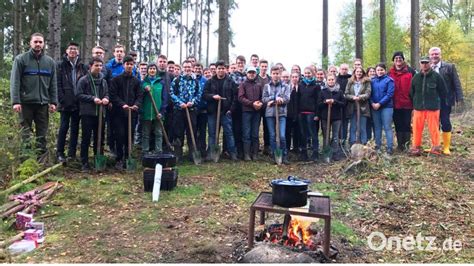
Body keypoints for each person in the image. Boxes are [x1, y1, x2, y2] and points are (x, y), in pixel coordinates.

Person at [10, 32, 58, 160]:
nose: (38, 44)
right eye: (35, 42)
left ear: (43, 44)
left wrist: (53, 101)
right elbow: (15, 82)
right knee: (25, 134)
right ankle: (25, 163)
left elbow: (53, 84)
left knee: (42, 135)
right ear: (30, 43)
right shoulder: (21, 59)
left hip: (42, 104)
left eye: (40, 42)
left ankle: (41, 161)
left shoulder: (50, 62)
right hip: (25, 104)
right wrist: (15, 101)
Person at [56, 42, 88, 163]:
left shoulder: (82, 67)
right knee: (63, 127)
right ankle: (60, 152)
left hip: (79, 103)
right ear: (66, 51)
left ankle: (72, 153)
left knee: (75, 128)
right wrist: (62, 99)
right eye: (71, 49)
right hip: (65, 103)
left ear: (78, 52)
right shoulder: (60, 65)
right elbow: (57, 84)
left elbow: (86, 84)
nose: (73, 51)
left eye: (75, 49)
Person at [109, 56, 143, 170]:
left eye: (131, 64)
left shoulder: (136, 81)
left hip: (132, 114)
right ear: (123, 65)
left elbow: (140, 96)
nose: (129, 66)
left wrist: (136, 105)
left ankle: (128, 157)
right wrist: (122, 104)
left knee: (130, 136)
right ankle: (119, 158)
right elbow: (113, 95)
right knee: (119, 135)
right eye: (127, 64)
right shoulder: (116, 80)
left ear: (133, 66)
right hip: (119, 113)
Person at [76, 57, 109, 171]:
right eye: (96, 65)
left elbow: (107, 94)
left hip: (100, 113)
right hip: (87, 113)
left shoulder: (103, 81)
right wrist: (92, 98)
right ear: (90, 66)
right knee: (86, 138)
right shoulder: (83, 80)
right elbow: (79, 94)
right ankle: (84, 162)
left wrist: (105, 98)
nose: (99, 68)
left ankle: (98, 159)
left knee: (99, 138)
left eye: (100, 66)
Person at [429, 47, 464, 155]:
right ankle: (435, 146)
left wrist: (460, 98)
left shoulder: (449, 67)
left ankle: (446, 147)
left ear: (440, 55)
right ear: (430, 56)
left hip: (445, 100)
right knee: (434, 124)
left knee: (445, 122)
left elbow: (456, 83)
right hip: (432, 101)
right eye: (432, 54)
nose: (434, 56)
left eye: (436, 54)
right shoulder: (427, 67)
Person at [409, 56, 447, 156]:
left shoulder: (436, 76)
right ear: (420, 64)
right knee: (416, 128)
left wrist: (436, 101)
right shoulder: (416, 77)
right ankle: (416, 148)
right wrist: (416, 102)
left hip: (433, 108)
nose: (425, 64)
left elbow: (443, 91)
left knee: (434, 128)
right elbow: (411, 92)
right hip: (418, 108)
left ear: (430, 63)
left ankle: (436, 148)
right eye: (423, 62)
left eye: (426, 62)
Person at [203, 60, 238, 161]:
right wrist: (213, 96)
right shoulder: (210, 81)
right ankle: (211, 153)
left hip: (226, 112)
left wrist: (231, 110)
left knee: (229, 133)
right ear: (216, 70)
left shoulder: (231, 82)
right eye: (219, 68)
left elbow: (235, 97)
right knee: (212, 133)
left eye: (223, 68)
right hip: (213, 112)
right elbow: (204, 95)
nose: (221, 70)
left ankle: (232, 153)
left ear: (225, 70)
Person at [169, 60, 203, 161]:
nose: (187, 69)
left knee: (191, 131)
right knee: (178, 132)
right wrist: (180, 103)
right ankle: (178, 154)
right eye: (185, 67)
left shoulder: (195, 81)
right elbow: (171, 93)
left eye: (189, 67)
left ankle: (192, 153)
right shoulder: (177, 80)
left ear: (192, 68)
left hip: (191, 110)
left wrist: (192, 101)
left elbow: (199, 93)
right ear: (182, 68)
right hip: (179, 110)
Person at [262, 66, 291, 164]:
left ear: (280, 74)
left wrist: (281, 100)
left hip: (281, 113)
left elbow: (287, 98)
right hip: (270, 113)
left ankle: (284, 155)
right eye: (274, 73)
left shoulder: (285, 86)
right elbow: (264, 98)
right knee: (272, 135)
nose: (275, 75)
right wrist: (270, 100)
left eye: (277, 73)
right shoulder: (267, 86)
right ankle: (275, 155)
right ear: (271, 74)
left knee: (282, 136)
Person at [389, 51, 416, 151]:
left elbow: (415, 87)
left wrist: (414, 101)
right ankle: (400, 145)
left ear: (403, 60)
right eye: (396, 58)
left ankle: (406, 145)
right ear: (394, 61)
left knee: (406, 124)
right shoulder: (389, 73)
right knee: (398, 124)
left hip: (407, 103)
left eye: (400, 58)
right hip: (395, 103)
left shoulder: (410, 71)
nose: (398, 60)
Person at [140, 63, 169, 155]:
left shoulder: (161, 82)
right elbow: (139, 98)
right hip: (146, 112)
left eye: (154, 69)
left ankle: (158, 151)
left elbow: (165, 98)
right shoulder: (143, 83)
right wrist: (145, 89)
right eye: (150, 68)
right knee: (145, 134)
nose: (152, 70)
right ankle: (145, 152)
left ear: (156, 71)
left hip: (158, 112)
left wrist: (162, 111)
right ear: (147, 70)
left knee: (159, 133)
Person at [238, 67, 264, 161]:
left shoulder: (259, 85)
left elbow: (263, 97)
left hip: (257, 112)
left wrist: (260, 103)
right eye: (250, 72)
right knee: (246, 133)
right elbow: (240, 97)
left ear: (256, 74)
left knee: (255, 133)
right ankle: (246, 154)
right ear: (247, 73)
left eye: (253, 72)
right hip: (246, 112)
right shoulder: (243, 84)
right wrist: (251, 103)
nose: (251, 74)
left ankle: (255, 154)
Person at [319, 74, 345, 161]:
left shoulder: (339, 92)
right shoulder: (323, 91)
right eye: (329, 80)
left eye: (332, 79)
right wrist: (325, 102)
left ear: (335, 80)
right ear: (326, 81)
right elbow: (318, 104)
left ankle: (335, 153)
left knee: (335, 136)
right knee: (326, 135)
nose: (331, 81)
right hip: (325, 117)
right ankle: (326, 153)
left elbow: (343, 103)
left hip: (336, 117)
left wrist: (335, 101)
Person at [298, 67, 321, 161]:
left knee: (313, 133)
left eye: (309, 73)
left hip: (311, 113)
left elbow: (318, 101)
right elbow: (298, 98)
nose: (307, 75)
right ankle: (304, 153)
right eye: (306, 73)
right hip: (301, 112)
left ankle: (315, 153)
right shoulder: (300, 85)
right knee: (303, 133)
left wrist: (317, 114)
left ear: (313, 74)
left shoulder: (316, 86)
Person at [370, 63, 395, 154]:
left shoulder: (389, 80)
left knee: (387, 127)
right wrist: (372, 103)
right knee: (377, 127)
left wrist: (380, 103)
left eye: (381, 70)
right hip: (374, 107)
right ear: (375, 71)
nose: (379, 72)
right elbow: (369, 93)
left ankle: (390, 147)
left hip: (386, 107)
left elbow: (389, 94)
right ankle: (378, 145)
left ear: (385, 70)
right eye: (378, 70)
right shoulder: (372, 81)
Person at [344, 67, 371, 145]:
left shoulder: (367, 82)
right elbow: (346, 93)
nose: (359, 73)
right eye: (357, 72)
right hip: (352, 107)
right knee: (353, 127)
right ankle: (352, 143)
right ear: (354, 73)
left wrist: (360, 97)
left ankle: (364, 143)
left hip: (363, 107)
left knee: (362, 127)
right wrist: (353, 97)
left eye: (360, 72)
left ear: (363, 73)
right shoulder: (350, 81)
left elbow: (368, 93)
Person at [229, 55, 247, 158]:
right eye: (238, 63)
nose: (240, 65)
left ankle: (243, 150)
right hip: (235, 105)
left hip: (246, 106)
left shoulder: (247, 75)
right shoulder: (232, 76)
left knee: (244, 129)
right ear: (236, 64)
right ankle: (236, 150)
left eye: (242, 63)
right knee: (235, 128)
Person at [257, 59, 271, 156]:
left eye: (266, 66)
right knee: (256, 127)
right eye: (262, 66)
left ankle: (267, 147)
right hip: (257, 106)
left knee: (267, 128)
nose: (264, 68)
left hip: (267, 106)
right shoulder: (256, 78)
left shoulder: (269, 79)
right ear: (259, 66)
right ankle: (256, 147)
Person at [194, 63, 208, 158]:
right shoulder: (191, 80)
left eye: (199, 68)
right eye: (196, 68)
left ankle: (202, 150)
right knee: (194, 130)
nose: (198, 70)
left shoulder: (205, 81)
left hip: (203, 110)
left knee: (202, 131)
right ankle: (194, 149)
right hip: (193, 109)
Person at [286, 72, 301, 155]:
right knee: (288, 132)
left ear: (298, 78)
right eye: (293, 77)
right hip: (289, 113)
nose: (295, 78)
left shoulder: (301, 87)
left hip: (298, 113)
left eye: (296, 77)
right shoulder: (288, 88)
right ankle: (287, 149)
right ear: (291, 78)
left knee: (297, 132)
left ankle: (296, 148)